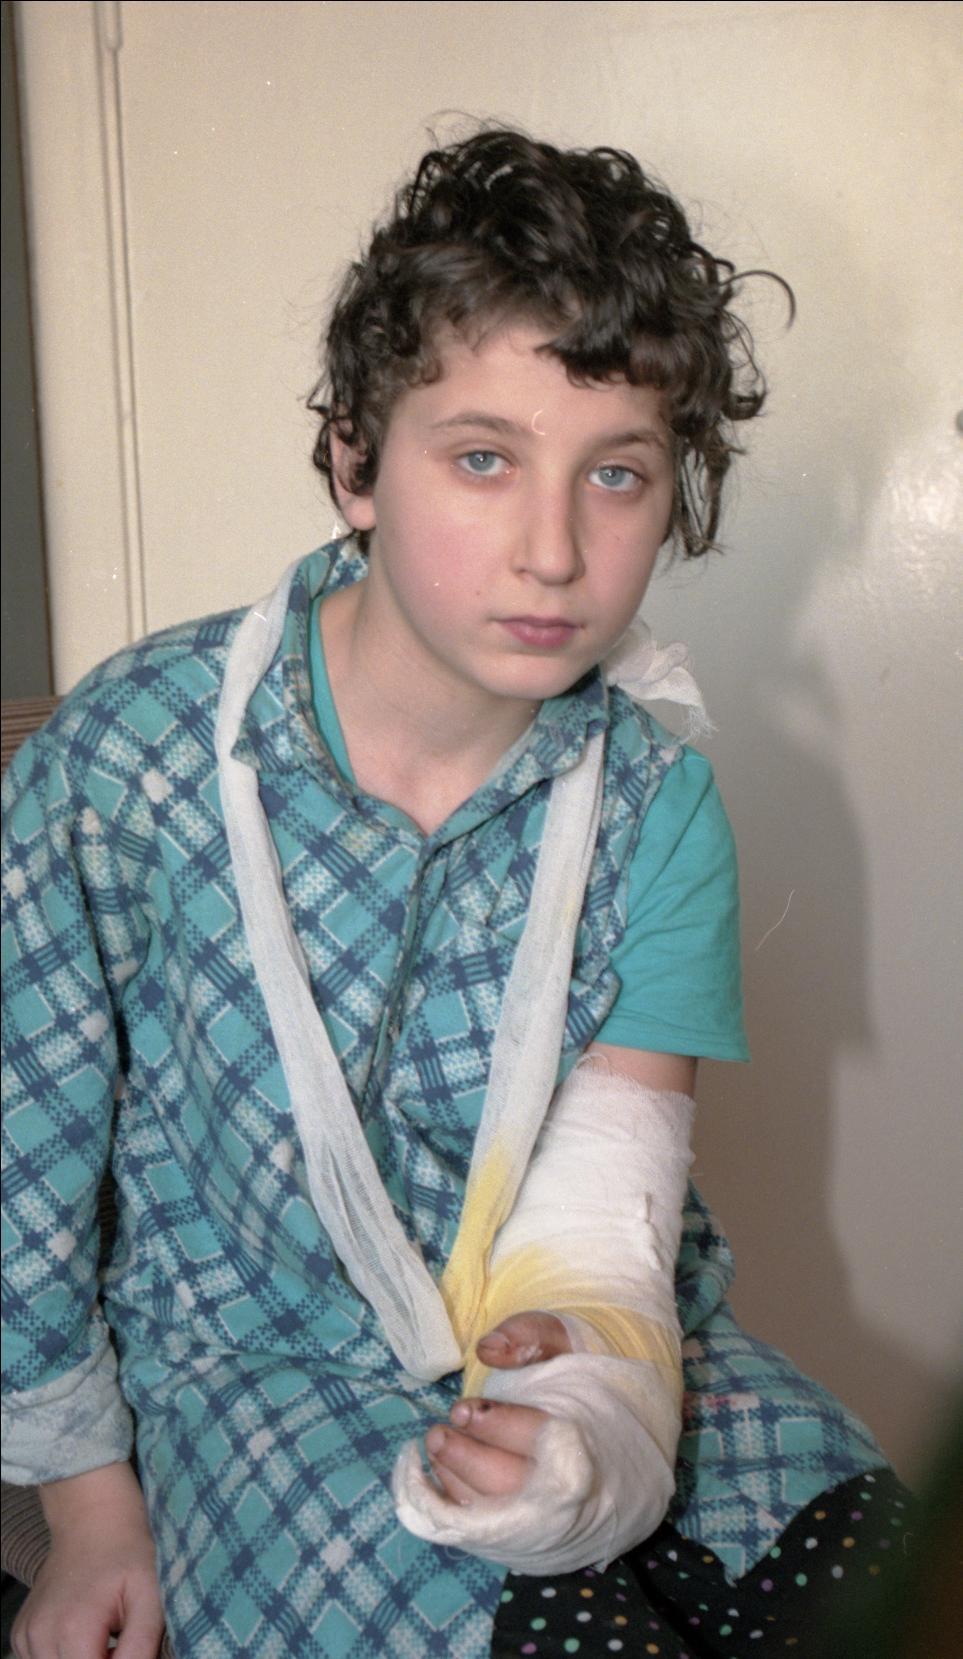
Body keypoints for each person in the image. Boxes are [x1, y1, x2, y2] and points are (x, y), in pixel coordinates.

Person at [2, 128, 909, 1659]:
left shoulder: (653, 807)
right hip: (255, 1365)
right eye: (483, 458)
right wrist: (90, 1511)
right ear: (356, 461)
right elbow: (18, 1169)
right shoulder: (131, 760)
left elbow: (605, 1216)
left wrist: (588, 1393)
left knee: (883, 1582)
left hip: (579, 1340)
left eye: (615, 474)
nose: (553, 551)